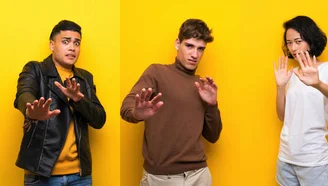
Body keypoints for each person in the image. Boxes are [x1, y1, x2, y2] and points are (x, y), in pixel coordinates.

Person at [120, 18, 222, 186]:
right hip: (162, 178)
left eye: (200, 49)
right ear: (177, 44)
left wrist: (212, 105)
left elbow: (213, 136)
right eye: (189, 46)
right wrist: (136, 113)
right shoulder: (157, 72)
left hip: (199, 175)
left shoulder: (202, 86)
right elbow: (127, 106)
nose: (195, 54)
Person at [14, 20, 106, 186]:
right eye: (65, 41)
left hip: (80, 176)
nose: (72, 47)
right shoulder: (35, 69)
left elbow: (99, 119)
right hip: (42, 173)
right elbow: (23, 94)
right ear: (51, 45)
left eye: (76, 43)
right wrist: (31, 110)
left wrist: (79, 100)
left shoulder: (85, 78)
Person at [273, 15, 328, 186]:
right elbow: (283, 116)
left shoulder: (327, 69)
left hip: (313, 158)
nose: (293, 47)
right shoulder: (293, 73)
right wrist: (280, 87)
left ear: (310, 40)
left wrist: (317, 83)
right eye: (289, 43)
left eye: (298, 41)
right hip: (286, 157)